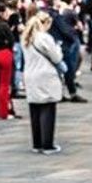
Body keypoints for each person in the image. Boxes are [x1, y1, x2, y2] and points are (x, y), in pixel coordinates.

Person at [22, 12, 65, 155]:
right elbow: (56, 57)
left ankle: (37, 143)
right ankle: (47, 144)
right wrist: (58, 48)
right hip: (45, 75)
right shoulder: (45, 38)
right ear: (46, 23)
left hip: (30, 74)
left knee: (34, 108)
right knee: (48, 107)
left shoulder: (26, 37)